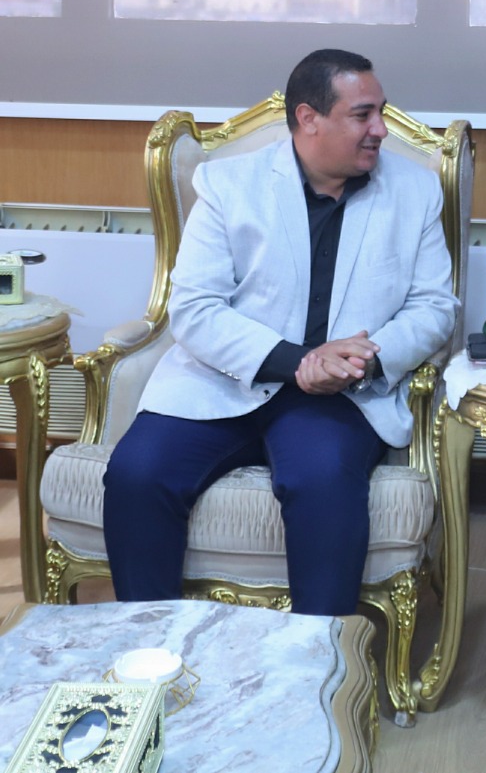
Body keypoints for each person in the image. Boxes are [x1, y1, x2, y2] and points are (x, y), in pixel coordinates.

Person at [102, 49, 456, 615]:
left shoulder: (415, 191)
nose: (380, 129)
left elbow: (434, 307)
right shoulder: (228, 184)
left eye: (380, 112)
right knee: (137, 474)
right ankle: (150, 643)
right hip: (223, 381)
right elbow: (194, 306)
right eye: (362, 115)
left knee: (323, 482)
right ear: (308, 118)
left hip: (342, 393)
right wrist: (297, 361)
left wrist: (363, 359)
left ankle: (318, 654)